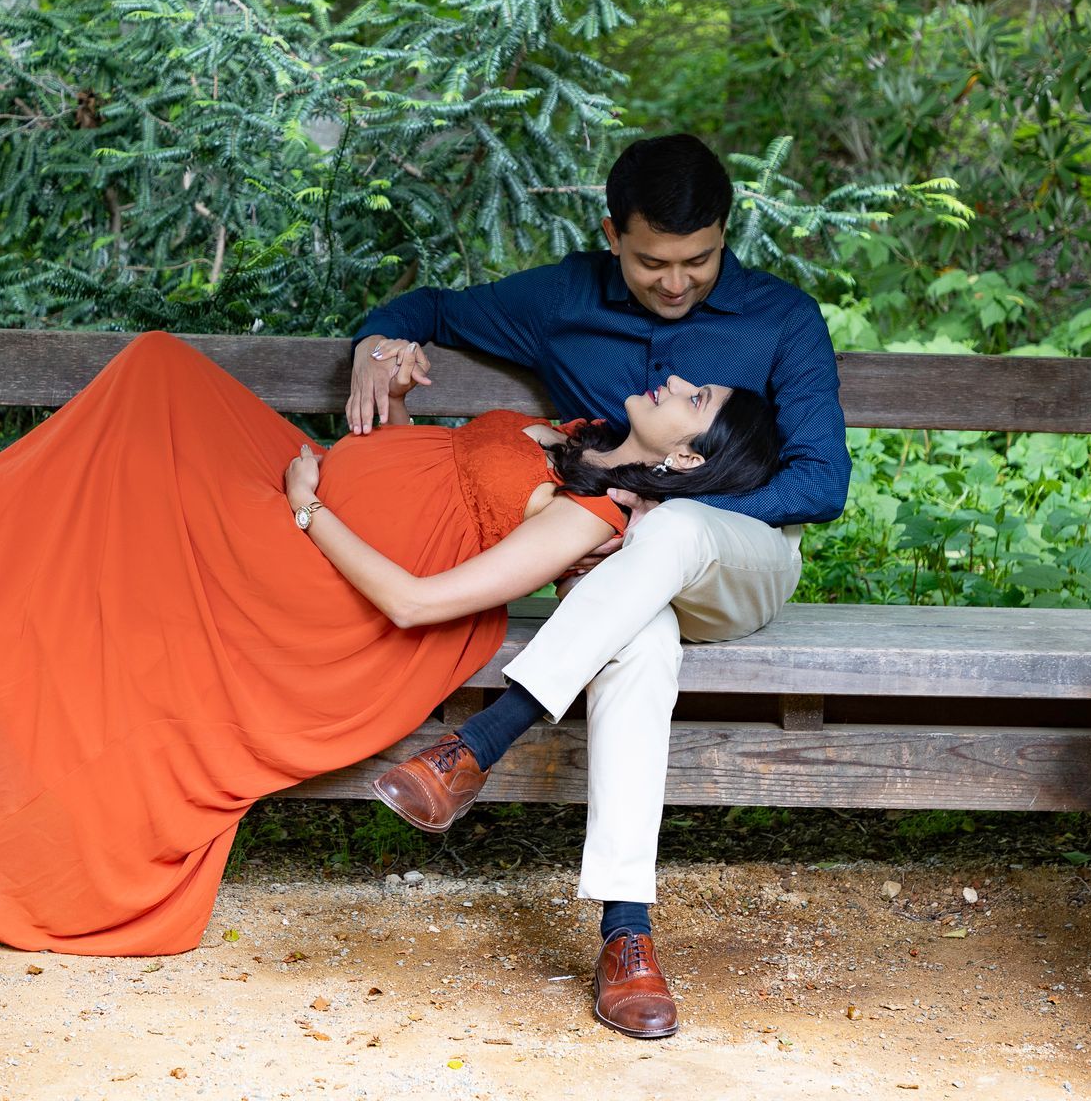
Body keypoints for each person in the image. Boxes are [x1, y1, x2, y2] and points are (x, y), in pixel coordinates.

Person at [0, 329, 782, 965]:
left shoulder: (591, 519)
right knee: (158, 368)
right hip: (297, 481)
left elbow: (418, 598)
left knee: (136, 436)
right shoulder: (580, 432)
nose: (675, 380)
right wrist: (397, 411)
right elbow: (430, 480)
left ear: (688, 455)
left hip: (319, 583)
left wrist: (316, 513)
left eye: (695, 399)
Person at [351, 132, 850, 1040]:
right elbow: (426, 307)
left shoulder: (782, 318)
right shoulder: (562, 300)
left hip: (743, 562)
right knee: (642, 640)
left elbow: (822, 483)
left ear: (725, 233)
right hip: (622, 585)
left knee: (676, 530)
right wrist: (375, 345)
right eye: (653, 261)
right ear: (613, 232)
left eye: (698, 260)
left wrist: (658, 507)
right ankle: (629, 935)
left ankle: (482, 740)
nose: (675, 282)